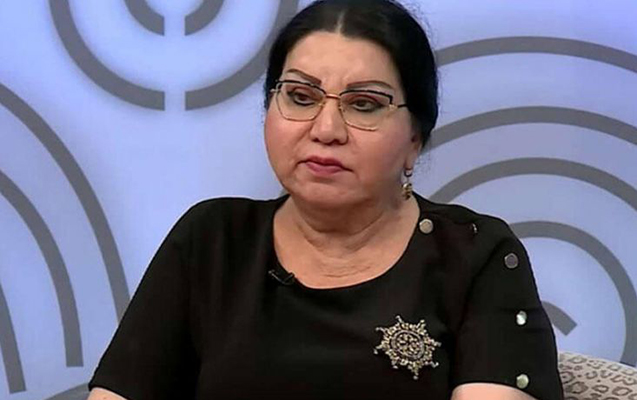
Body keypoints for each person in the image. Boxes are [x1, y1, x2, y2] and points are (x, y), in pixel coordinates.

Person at [87, 0, 563, 399]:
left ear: (415, 139)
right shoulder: (214, 240)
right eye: (300, 96)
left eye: (364, 105)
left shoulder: (475, 254)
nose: (326, 129)